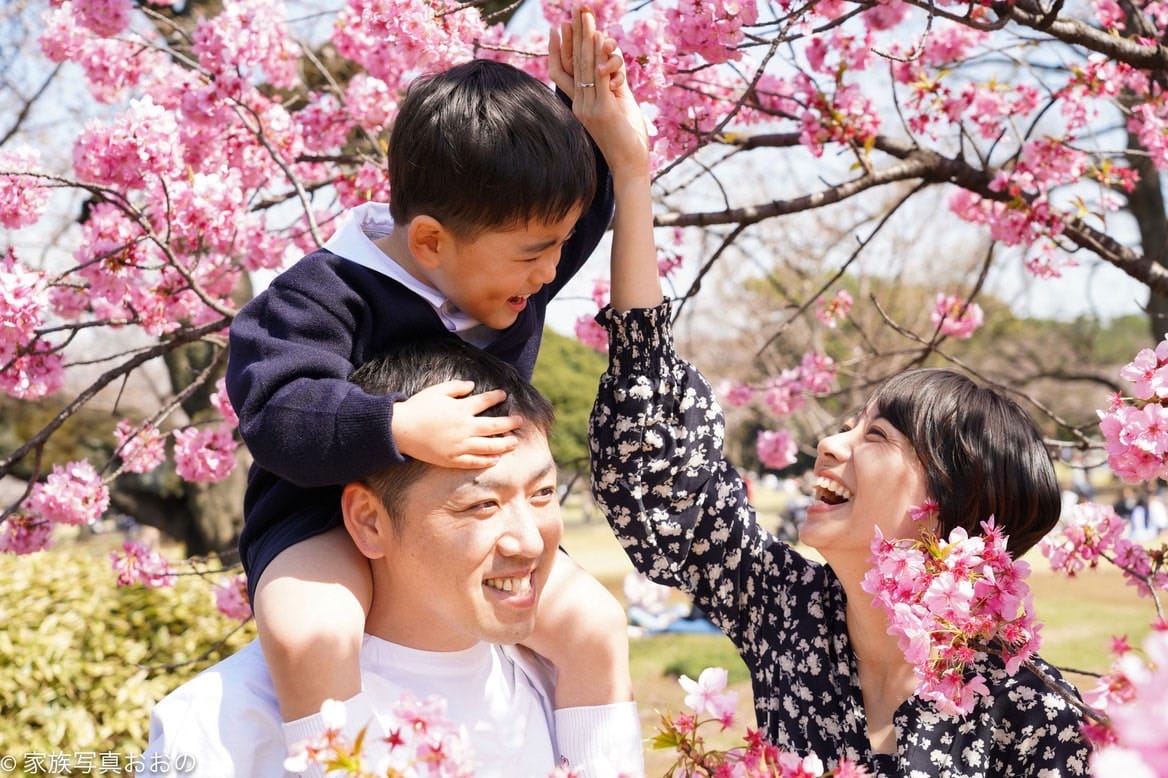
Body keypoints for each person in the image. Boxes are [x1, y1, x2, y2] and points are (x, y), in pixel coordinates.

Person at [223, 7, 646, 740]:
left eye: (561, 247)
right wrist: (393, 425)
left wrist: (596, 128)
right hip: (324, 515)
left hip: (474, 520)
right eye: (534, 255)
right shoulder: (316, 295)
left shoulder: (500, 261)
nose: (551, 273)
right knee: (312, 634)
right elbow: (276, 414)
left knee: (596, 624)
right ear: (429, 240)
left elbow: (560, 217)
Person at [585, 163, 1092, 773]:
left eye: (874, 434)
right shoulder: (790, 614)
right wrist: (632, 175)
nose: (829, 441)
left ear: (949, 510)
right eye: (848, 424)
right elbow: (660, 464)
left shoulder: (1032, 711)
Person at [145, 338, 644, 777]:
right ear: (368, 521)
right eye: (482, 504)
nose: (530, 542)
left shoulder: (566, 684)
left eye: (542, 495)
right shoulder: (220, 725)